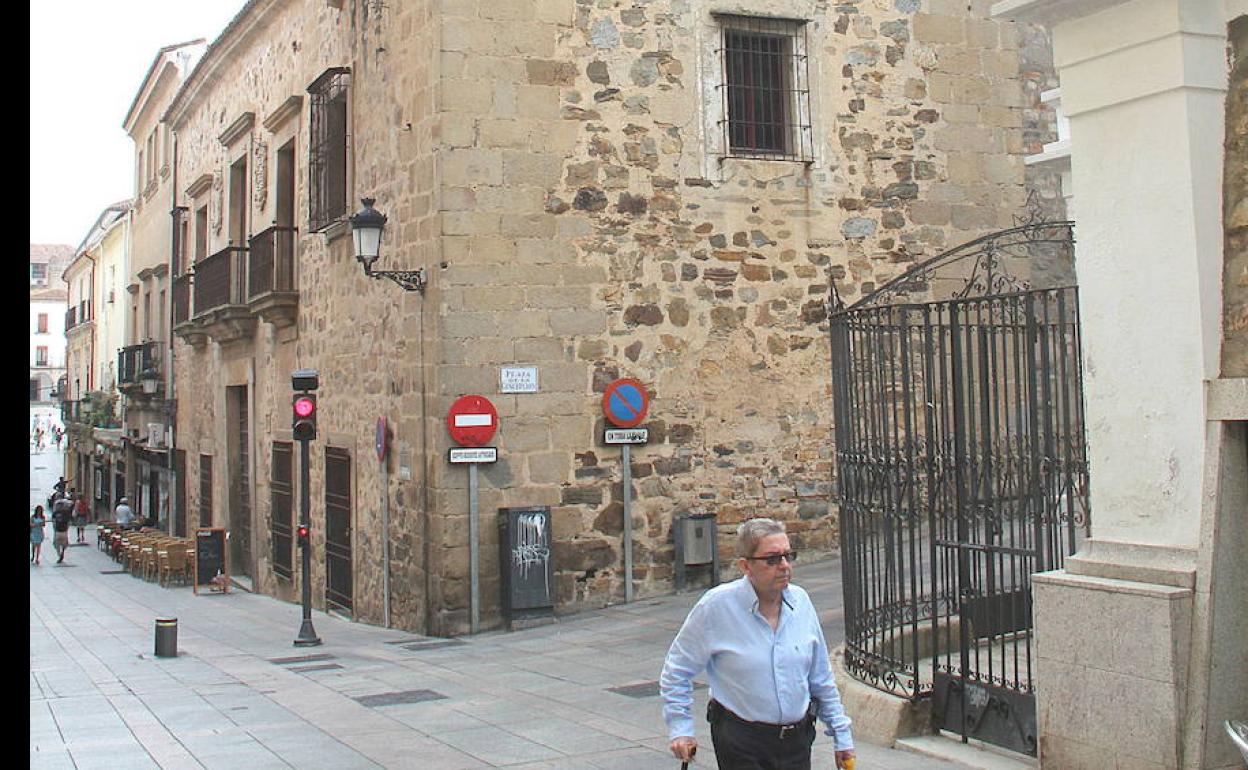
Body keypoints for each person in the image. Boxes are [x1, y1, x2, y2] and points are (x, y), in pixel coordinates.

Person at [661, 518, 855, 770]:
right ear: (746, 565)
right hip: (741, 741)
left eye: (788, 556)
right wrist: (681, 729)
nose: (784, 566)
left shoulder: (801, 602)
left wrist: (841, 735)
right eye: (772, 559)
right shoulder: (716, 606)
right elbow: (677, 670)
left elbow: (820, 677)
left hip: (796, 741)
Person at [51, 495, 73, 564]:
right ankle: (61, 553)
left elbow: (54, 521)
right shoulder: (66, 512)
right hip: (63, 530)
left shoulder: (57, 512)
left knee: (57, 544)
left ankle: (60, 554)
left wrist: (54, 528)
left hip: (59, 530)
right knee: (63, 543)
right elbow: (69, 521)